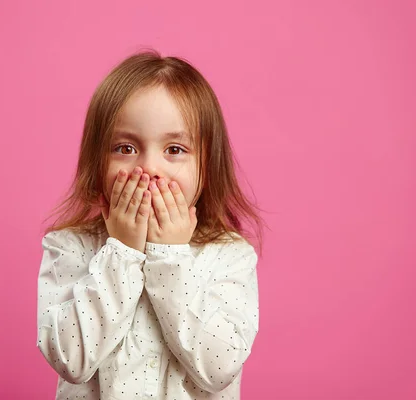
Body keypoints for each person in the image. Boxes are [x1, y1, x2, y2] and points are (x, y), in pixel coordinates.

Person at [36, 49, 265, 399]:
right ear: (97, 163)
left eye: (174, 149)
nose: (150, 168)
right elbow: (70, 359)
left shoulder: (229, 256)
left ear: (207, 166)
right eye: (126, 148)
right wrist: (122, 252)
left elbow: (219, 367)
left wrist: (170, 256)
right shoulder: (70, 246)